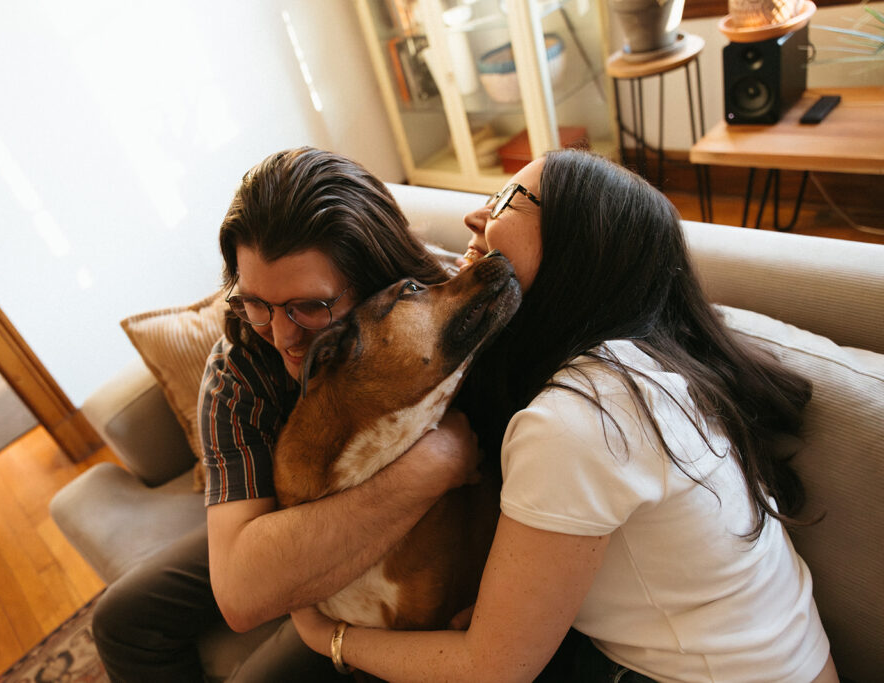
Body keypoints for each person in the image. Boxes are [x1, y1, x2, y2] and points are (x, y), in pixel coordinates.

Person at [291, 149, 840, 683]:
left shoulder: (582, 416)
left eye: (509, 199)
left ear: (580, 246)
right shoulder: (639, 363)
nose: (474, 215)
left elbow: (491, 670)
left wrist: (329, 639)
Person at [91, 147, 482, 681]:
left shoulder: (446, 312)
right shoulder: (240, 370)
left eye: (310, 306)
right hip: (282, 515)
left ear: (377, 279)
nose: (282, 335)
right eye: (256, 303)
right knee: (123, 618)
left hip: (415, 555)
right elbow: (241, 595)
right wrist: (437, 462)